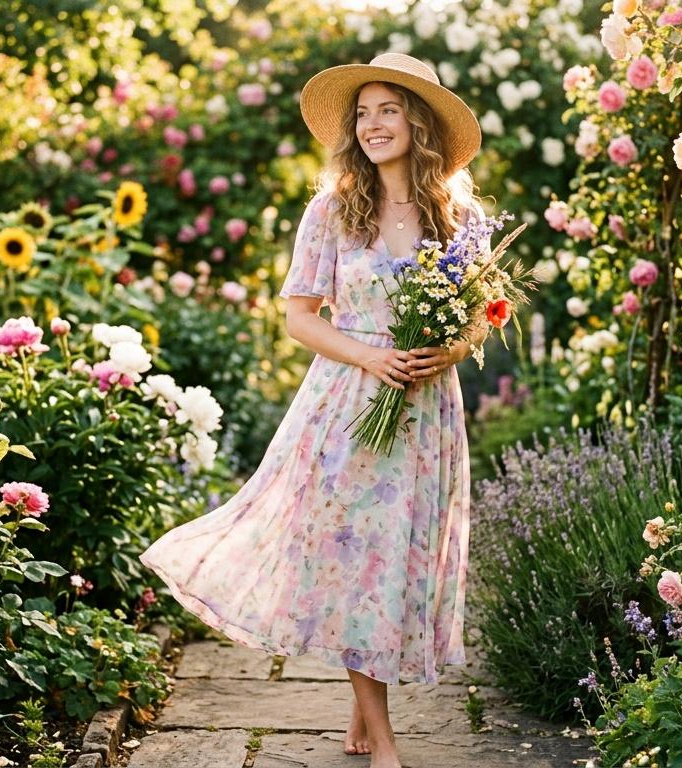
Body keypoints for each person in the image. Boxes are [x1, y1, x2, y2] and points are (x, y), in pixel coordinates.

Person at [139, 52, 488, 768]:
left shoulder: (461, 217)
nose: (372, 125)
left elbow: (480, 315)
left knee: (397, 562)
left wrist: (446, 353)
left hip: (425, 414)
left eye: (389, 109)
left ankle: (362, 712)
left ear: (419, 122)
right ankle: (383, 741)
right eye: (363, 113)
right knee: (355, 560)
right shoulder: (332, 211)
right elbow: (300, 317)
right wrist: (370, 356)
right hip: (348, 405)